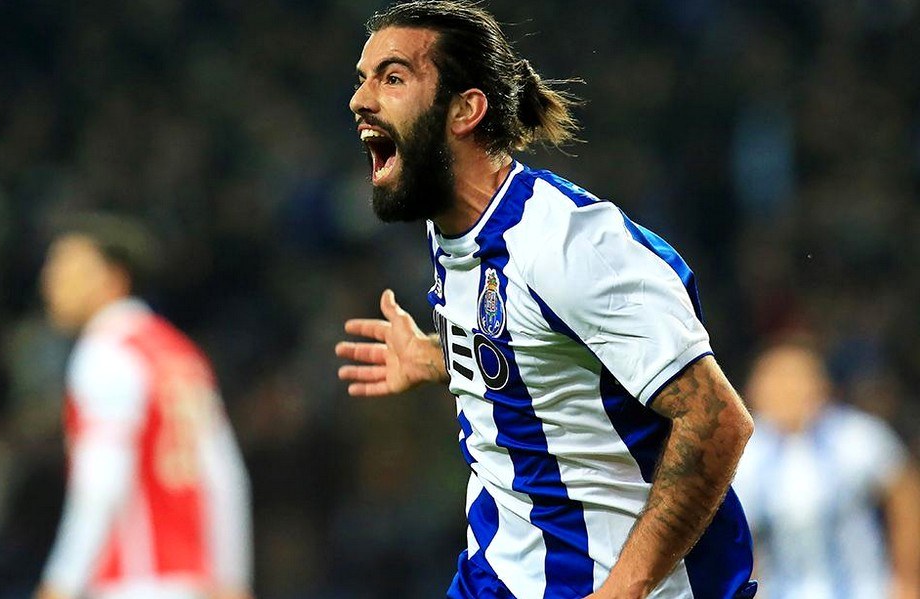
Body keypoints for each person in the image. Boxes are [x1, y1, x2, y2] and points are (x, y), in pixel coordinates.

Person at [335, 2, 758, 598]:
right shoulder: (451, 225)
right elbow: (537, 348)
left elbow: (717, 422)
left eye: (393, 77)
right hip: (500, 575)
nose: (360, 99)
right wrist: (441, 356)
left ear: (465, 110)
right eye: (363, 79)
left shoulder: (570, 246)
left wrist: (623, 591)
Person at [35, 214, 254, 599]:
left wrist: (61, 584)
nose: (51, 281)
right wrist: (233, 580)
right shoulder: (179, 351)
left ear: (113, 277)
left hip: (134, 581)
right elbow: (223, 476)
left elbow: (101, 483)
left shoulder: (106, 352)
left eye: (69, 267)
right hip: (193, 584)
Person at [733, 338, 920, 599]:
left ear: (821, 385)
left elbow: (904, 494)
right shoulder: (744, 455)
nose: (787, 391)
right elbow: (736, 539)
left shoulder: (857, 435)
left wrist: (908, 578)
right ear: (753, 390)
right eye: (776, 381)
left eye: (797, 379)